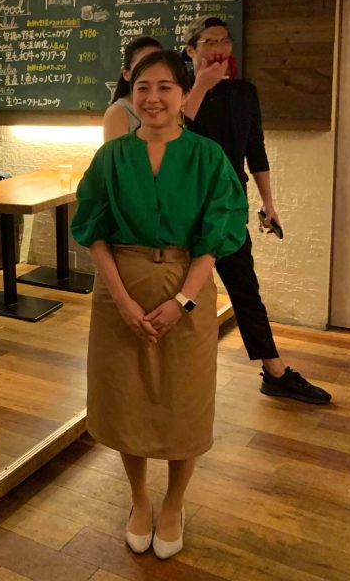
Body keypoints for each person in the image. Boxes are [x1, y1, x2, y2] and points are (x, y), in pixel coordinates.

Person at [72, 50, 247, 559]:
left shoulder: (208, 156)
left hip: (185, 287)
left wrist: (183, 302)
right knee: (125, 399)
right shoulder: (111, 157)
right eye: (143, 87)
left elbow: (216, 237)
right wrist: (122, 301)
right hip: (119, 288)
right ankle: (139, 500)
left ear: (184, 93)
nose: (152, 98)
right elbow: (94, 231)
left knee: (184, 400)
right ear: (131, 92)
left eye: (165, 87)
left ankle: (174, 503)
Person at [183, 16, 332, 404]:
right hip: (182, 208)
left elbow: (255, 150)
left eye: (225, 41)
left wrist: (269, 203)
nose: (219, 49)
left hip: (226, 207)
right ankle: (173, 374)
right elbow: (174, 137)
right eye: (209, 42)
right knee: (178, 290)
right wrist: (200, 87)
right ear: (190, 50)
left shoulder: (244, 93)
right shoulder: (177, 90)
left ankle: (275, 372)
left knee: (245, 289)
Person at [102, 36, 163, 140]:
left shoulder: (168, 106)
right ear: (126, 74)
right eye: (144, 65)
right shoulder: (117, 112)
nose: (153, 70)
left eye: (158, 64)